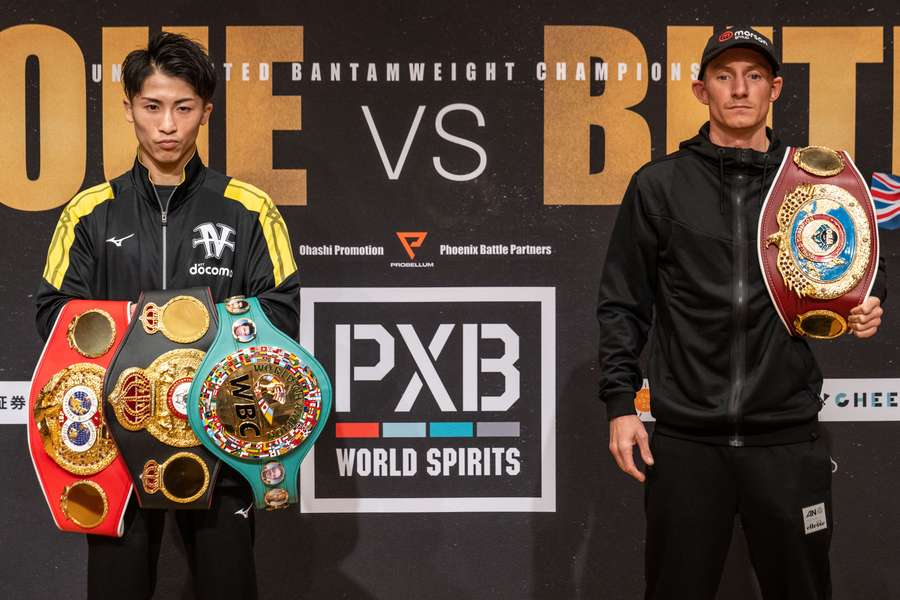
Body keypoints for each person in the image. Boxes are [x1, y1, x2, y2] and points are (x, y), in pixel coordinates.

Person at [597, 26, 886, 600]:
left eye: (754, 76)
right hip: (685, 442)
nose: (739, 90)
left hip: (785, 438)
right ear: (701, 90)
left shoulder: (812, 184)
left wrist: (857, 310)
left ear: (775, 88)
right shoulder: (659, 185)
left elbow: (835, 284)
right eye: (724, 77)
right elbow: (624, 301)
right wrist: (619, 403)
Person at [35, 32, 300, 600]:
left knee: (229, 587)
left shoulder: (249, 209)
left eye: (183, 108)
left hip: (223, 438)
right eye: (152, 107)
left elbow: (280, 313)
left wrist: (197, 352)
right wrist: (136, 332)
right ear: (127, 106)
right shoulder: (88, 213)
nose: (167, 126)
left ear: (207, 109)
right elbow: (52, 316)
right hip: (114, 443)